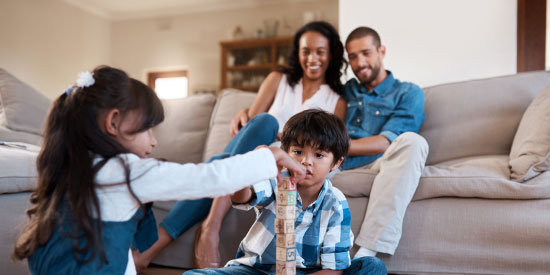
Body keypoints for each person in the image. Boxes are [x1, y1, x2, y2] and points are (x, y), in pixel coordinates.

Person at [11, 66, 306, 274]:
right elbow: (207, 178)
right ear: (114, 123)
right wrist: (270, 155)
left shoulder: (74, 165)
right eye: (147, 129)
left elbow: (112, 246)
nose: (153, 141)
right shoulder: (126, 171)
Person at [134, 21, 348, 270]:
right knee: (266, 122)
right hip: (258, 151)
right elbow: (254, 124)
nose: (312, 58)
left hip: (284, 159)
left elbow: (329, 141)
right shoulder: (278, 79)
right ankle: (210, 226)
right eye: (306, 51)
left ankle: (196, 232)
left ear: (331, 54)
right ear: (297, 53)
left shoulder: (337, 98)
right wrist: (264, 136)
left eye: (320, 51)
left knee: (218, 162)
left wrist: (288, 142)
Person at [184, 110, 387, 275]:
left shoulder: (335, 203)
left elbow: (333, 270)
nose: (306, 161)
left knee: (371, 267)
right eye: (298, 152)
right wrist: (250, 166)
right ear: (285, 153)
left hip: (309, 272)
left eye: (319, 155)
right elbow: (241, 197)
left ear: (336, 163)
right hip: (256, 270)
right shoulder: (275, 181)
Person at [341, 27, 429, 259]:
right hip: (335, 163)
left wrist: (336, 145)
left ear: (382, 51)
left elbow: (385, 143)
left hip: (381, 163)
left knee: (414, 142)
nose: (360, 63)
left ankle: (368, 251)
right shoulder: (344, 91)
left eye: (366, 53)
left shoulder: (408, 92)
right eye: (352, 57)